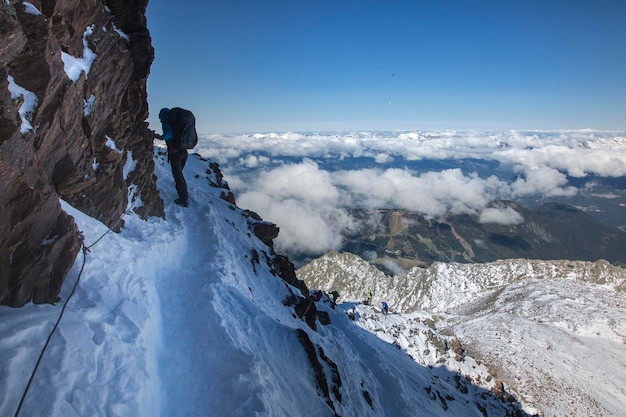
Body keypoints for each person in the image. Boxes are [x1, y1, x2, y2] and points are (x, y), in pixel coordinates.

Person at [158, 107, 190, 207]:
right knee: (179, 175)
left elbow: (168, 134)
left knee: (178, 176)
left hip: (175, 154)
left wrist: (160, 137)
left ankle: (183, 199)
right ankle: (184, 194)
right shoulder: (176, 125)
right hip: (184, 151)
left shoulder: (166, 124)